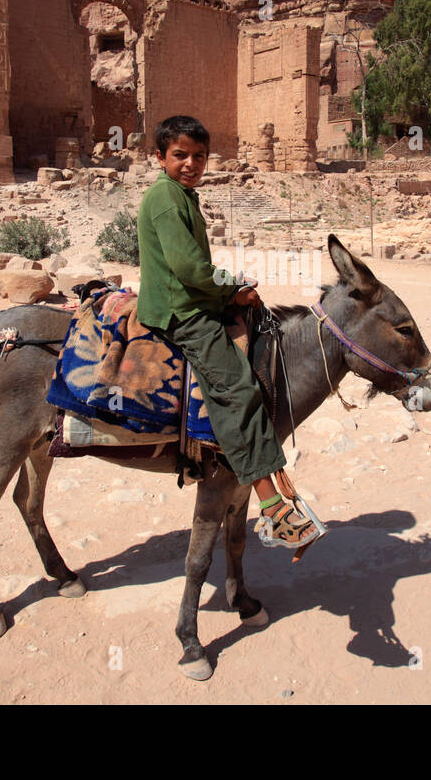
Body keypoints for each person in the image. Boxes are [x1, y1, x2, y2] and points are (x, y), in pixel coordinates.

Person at [136, 114, 322, 554]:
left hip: (193, 296)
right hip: (179, 310)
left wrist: (233, 288)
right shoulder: (165, 198)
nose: (191, 163)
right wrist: (231, 289)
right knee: (237, 387)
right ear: (159, 157)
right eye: (180, 155)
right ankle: (273, 507)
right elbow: (188, 269)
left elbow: (198, 266)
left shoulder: (183, 196)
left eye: (199, 156)